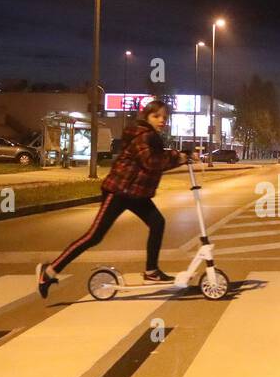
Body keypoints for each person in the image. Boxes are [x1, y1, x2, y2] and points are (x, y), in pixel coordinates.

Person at [36, 99, 191, 298]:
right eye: (156, 116)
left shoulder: (150, 136)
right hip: (118, 191)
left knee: (157, 222)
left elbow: (158, 158)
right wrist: (179, 157)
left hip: (135, 193)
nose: (162, 120)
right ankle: (49, 272)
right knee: (94, 236)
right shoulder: (141, 135)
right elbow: (151, 161)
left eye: (164, 117)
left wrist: (181, 156)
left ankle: (152, 271)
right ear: (146, 117)